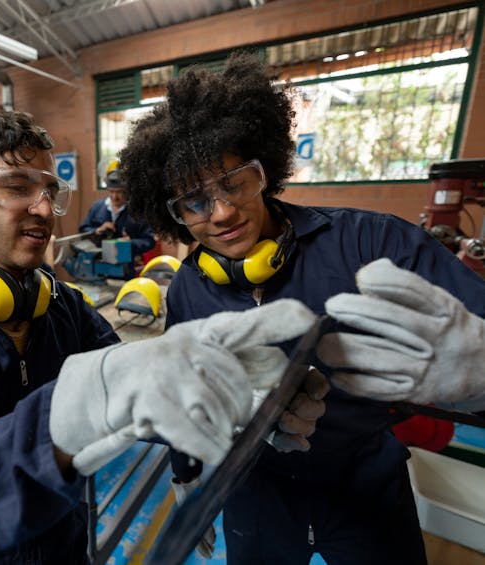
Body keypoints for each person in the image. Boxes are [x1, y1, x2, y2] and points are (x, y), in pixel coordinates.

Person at [0, 110, 326, 564]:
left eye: (51, 191)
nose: (44, 209)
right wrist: (76, 405)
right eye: (16, 186)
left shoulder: (64, 308)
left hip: (68, 546)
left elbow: (144, 394)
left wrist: (243, 405)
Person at [120, 52, 485, 564]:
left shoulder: (371, 243)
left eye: (233, 182)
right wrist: (188, 474)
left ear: (264, 170)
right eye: (194, 202)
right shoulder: (185, 290)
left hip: (366, 484)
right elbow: (187, 390)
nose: (221, 212)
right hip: (257, 495)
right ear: (175, 215)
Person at [79, 160, 156, 260]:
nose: (114, 197)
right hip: (99, 264)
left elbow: (150, 241)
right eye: (111, 192)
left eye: (119, 192)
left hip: (126, 268)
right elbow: (83, 230)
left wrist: (131, 243)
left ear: (127, 191)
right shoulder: (97, 207)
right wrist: (97, 230)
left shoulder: (136, 212)